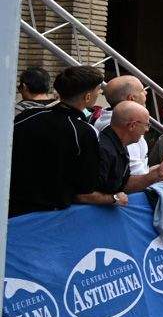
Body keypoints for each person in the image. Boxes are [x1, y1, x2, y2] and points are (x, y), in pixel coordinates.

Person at [10, 65, 106, 216]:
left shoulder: (26, 116)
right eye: (98, 89)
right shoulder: (83, 131)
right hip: (51, 215)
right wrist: (113, 198)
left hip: (12, 206)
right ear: (87, 97)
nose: (99, 92)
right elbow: (85, 188)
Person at [89, 101, 163, 205]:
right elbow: (82, 194)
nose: (147, 130)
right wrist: (113, 199)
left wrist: (157, 173)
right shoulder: (102, 150)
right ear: (132, 126)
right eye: (147, 125)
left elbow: (124, 185)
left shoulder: (120, 145)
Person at [94, 75, 152, 178]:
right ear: (131, 98)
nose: (146, 92)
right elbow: (135, 173)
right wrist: (157, 175)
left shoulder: (106, 118)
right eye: (142, 90)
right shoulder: (123, 128)